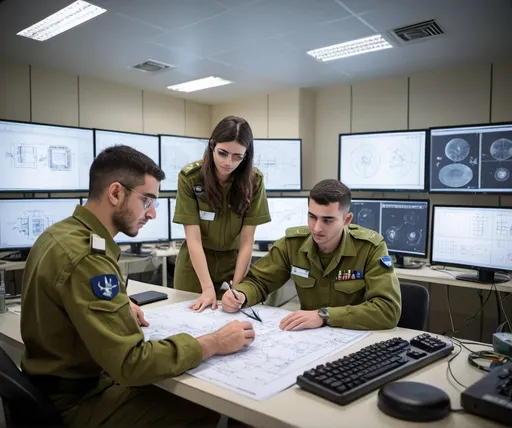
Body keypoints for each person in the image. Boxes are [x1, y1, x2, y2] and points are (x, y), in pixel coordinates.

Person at [20, 145, 255, 427]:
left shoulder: (60, 234)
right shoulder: (87, 258)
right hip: (76, 403)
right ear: (116, 193)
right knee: (199, 406)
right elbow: (132, 364)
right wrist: (213, 342)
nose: (153, 213)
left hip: (51, 387)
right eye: (147, 201)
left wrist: (118, 303)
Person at [221, 179, 402, 331]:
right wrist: (242, 294)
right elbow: (259, 281)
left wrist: (324, 315)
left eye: (327, 220)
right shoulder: (293, 244)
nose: (316, 228)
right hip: (308, 338)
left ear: (347, 220)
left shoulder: (370, 248)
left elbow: (388, 310)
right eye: (312, 216)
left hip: (352, 335)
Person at [173, 115, 271, 312]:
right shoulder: (190, 177)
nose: (228, 162)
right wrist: (207, 287)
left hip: (233, 262)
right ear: (212, 145)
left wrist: (237, 288)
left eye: (237, 157)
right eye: (223, 153)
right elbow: (193, 239)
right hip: (195, 266)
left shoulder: (254, 181)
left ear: (246, 155)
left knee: (232, 316)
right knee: (189, 319)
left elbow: (246, 240)